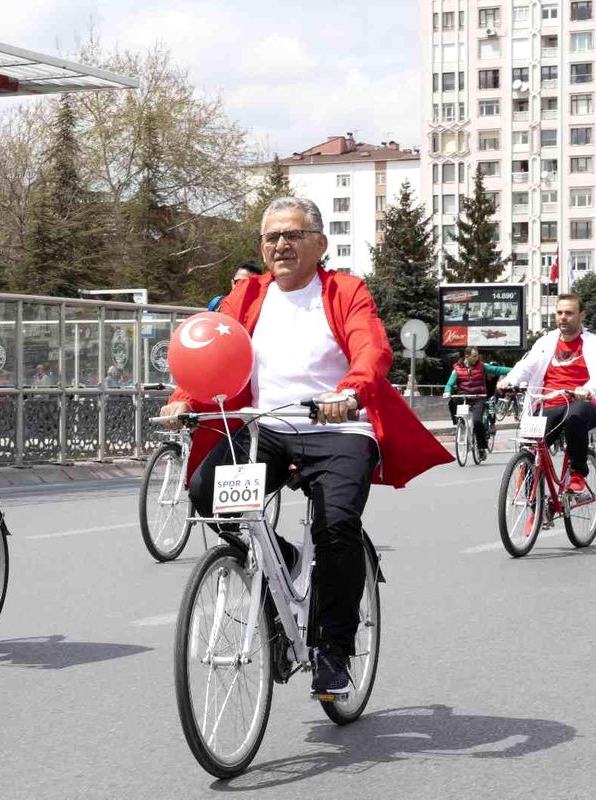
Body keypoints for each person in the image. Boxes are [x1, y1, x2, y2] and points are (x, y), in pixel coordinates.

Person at [160, 196, 452, 696]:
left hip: (339, 431)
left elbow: (371, 348)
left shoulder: (345, 291)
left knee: (336, 527)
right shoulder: (247, 296)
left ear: (319, 244)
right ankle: (287, 561)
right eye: (272, 237)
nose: (281, 245)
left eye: (292, 235)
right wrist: (184, 399)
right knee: (207, 493)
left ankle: (334, 650)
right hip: (268, 430)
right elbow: (214, 352)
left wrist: (350, 392)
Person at [497, 294, 596, 501]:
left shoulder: (594, 342)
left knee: (574, 418)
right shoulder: (545, 341)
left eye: (569, 313)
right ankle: (535, 505)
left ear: (581, 315)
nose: (563, 317)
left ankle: (578, 475)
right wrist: (509, 381)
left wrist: (587, 389)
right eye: (559, 313)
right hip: (549, 403)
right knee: (531, 446)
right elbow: (526, 366)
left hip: (582, 402)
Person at [443, 346, 510, 460]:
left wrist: (517, 369)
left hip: (478, 398)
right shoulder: (457, 369)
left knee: (477, 422)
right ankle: (458, 423)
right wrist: (447, 391)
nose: (476, 358)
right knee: (452, 402)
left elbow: (498, 370)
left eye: (477, 356)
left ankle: (481, 448)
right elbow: (449, 384)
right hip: (464, 397)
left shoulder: (482, 366)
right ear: (467, 356)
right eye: (474, 356)